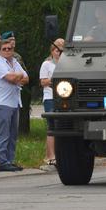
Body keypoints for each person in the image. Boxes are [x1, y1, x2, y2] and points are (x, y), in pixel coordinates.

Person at [0, 39, 29, 171]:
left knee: (13, 134)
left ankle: (10, 160)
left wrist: (16, 77)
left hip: (14, 103)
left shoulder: (14, 62)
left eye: (9, 49)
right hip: (2, 103)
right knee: (3, 134)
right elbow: (11, 78)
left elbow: (27, 78)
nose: (7, 51)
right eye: (4, 49)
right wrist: (17, 76)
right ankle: (2, 161)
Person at [39, 38, 64, 171]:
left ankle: (60, 155)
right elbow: (43, 81)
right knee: (52, 126)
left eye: (61, 50)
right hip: (50, 98)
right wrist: (56, 81)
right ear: (52, 51)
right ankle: (50, 156)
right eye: (56, 50)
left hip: (63, 98)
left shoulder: (66, 65)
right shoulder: (47, 64)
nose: (59, 53)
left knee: (62, 126)